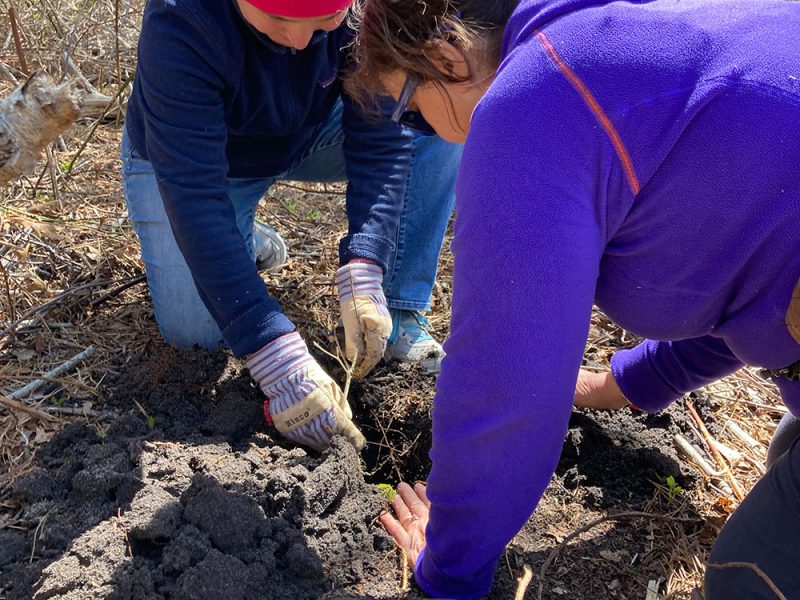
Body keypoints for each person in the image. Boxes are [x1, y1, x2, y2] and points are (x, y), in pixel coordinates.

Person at [344, 0, 800, 597]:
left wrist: (447, 570)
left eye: (412, 116)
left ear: (445, 59)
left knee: (749, 579)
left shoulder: (534, 98)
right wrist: (625, 384)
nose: (421, 131)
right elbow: (748, 273)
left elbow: (507, 384)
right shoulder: (623, 29)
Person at [120, 0, 462, 450]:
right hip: (195, 165)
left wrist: (367, 259)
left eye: (324, 22)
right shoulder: (181, 20)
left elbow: (380, 133)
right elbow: (195, 198)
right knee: (197, 334)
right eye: (280, 20)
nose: (302, 41)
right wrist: (273, 356)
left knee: (433, 117)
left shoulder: (365, 10)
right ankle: (241, 240)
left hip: (309, 131)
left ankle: (396, 313)